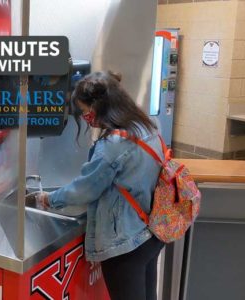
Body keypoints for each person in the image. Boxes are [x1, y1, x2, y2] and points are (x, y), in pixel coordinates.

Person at [37, 71, 165, 300]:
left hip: (126, 242)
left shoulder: (114, 144)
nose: (86, 118)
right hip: (151, 230)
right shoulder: (148, 126)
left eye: (85, 112)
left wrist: (49, 199)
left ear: (101, 107)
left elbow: (85, 189)